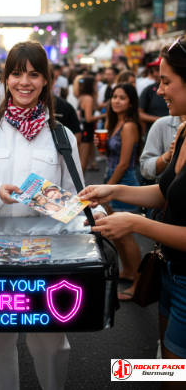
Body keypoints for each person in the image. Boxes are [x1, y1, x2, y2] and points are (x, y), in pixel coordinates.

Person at [0, 41, 106, 390]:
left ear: (46, 81)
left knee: (51, 341)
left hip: (47, 252)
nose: (25, 82)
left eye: (34, 74)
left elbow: (77, 200)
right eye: (17, 73)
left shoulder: (62, 135)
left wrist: (64, 203)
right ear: (5, 79)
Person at [78, 36, 186, 365]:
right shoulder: (182, 131)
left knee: (175, 372)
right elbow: (163, 192)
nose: (159, 91)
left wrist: (136, 222)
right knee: (166, 366)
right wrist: (113, 191)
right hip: (169, 271)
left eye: (166, 82)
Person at [104, 83, 142, 300]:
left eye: (122, 97)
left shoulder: (128, 126)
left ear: (131, 102)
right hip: (112, 181)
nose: (116, 101)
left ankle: (138, 284)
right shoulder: (116, 122)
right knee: (116, 234)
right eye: (114, 96)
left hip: (122, 183)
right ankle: (127, 271)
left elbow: (124, 163)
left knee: (126, 237)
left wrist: (109, 188)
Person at [140, 115, 185, 181]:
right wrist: (168, 155)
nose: (167, 103)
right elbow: (145, 169)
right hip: (164, 187)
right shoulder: (161, 124)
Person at [77, 76, 105, 173]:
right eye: (95, 85)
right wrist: (103, 115)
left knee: (84, 157)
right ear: (91, 86)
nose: (96, 87)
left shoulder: (83, 96)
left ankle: (92, 164)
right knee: (83, 161)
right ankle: (79, 185)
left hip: (83, 128)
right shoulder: (88, 98)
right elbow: (89, 118)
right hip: (86, 129)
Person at [139, 56, 169, 136]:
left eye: (158, 70)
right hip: (154, 133)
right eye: (153, 71)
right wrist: (160, 120)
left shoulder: (177, 89)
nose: (155, 74)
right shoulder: (148, 90)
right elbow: (139, 113)